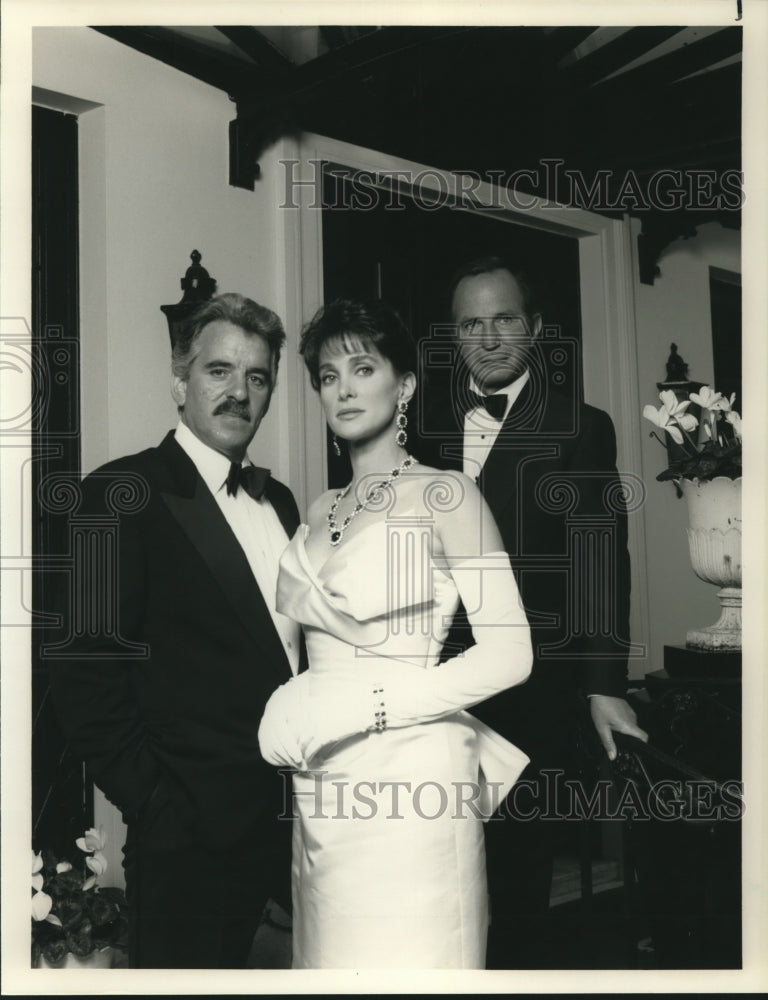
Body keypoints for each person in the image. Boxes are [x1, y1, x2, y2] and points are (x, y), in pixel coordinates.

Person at [257, 298, 533, 969]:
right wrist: (293, 702)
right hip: (323, 777)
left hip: (413, 778)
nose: (344, 389)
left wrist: (371, 705)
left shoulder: (449, 494)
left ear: (403, 384)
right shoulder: (318, 509)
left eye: (364, 368)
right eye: (328, 376)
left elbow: (511, 653)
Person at [48, 293, 302, 968]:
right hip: (186, 839)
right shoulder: (118, 493)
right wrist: (156, 804)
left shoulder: (280, 501)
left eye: (256, 377)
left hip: (286, 825)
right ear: (180, 382)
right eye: (219, 370)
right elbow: (84, 675)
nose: (238, 392)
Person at [416, 255, 649, 967]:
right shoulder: (419, 428)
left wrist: (604, 684)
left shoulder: (580, 426)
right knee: (432, 880)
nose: (488, 339)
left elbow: (599, 557)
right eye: (471, 325)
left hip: (529, 693)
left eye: (505, 320)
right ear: (455, 337)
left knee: (515, 888)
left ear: (537, 328)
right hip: (428, 692)